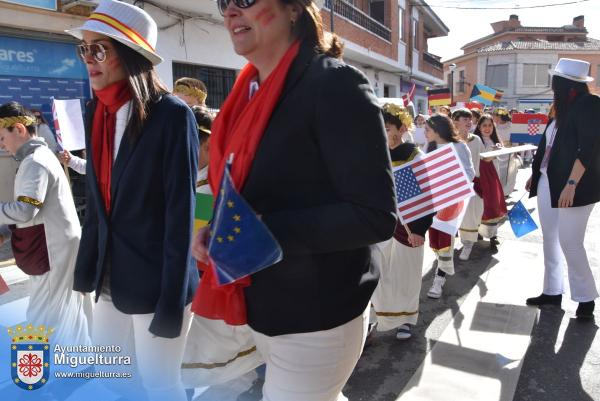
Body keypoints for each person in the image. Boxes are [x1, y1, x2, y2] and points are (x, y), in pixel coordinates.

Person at [191, 0, 397, 398]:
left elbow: (374, 215)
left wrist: (257, 233)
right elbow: (234, 189)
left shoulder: (336, 85)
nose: (231, 11)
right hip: (260, 301)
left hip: (317, 314)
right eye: (223, 2)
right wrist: (215, 230)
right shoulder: (247, 93)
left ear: (293, 9)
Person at [66, 1, 200, 400]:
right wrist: (88, 270)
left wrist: (172, 300)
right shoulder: (95, 112)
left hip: (157, 284)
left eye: (100, 49)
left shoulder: (173, 115)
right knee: (111, 376)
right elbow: (97, 202)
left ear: (131, 54)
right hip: (108, 278)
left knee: (161, 384)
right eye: (84, 49)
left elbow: (182, 214)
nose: (89, 59)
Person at [0, 102, 91, 346]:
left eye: (2, 137)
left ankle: (58, 370)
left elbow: (26, 210)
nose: (1, 144)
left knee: (46, 312)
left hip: (51, 247)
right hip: (54, 243)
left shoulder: (35, 162)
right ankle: (79, 363)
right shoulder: (39, 158)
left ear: (19, 129)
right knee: (66, 307)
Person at [525, 58, 600, 319]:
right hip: (549, 181)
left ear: (564, 83)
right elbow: (550, 147)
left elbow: (587, 148)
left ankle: (586, 297)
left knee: (570, 242)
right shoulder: (560, 109)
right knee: (551, 240)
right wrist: (536, 175)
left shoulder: (589, 104)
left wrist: (571, 184)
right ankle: (552, 292)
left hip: (574, 185)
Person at [371, 103, 433, 340]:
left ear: (402, 127)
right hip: (381, 224)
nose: (383, 131)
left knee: (406, 274)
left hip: (408, 227)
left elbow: (427, 196)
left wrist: (419, 229)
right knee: (381, 274)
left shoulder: (414, 156)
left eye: (386, 127)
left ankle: (406, 318)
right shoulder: (376, 153)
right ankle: (380, 317)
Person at [424, 114, 475, 299]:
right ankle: (441, 266)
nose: (424, 133)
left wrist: (450, 183)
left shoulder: (460, 146)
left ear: (438, 130)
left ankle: (439, 280)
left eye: (427, 129)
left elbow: (470, 173)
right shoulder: (428, 146)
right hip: (431, 203)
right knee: (435, 241)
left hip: (451, 202)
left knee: (446, 241)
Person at [453, 108, 485, 261]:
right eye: (465, 119)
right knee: (456, 216)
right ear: (455, 122)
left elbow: (484, 159)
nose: (469, 122)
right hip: (454, 185)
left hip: (473, 184)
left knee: (470, 215)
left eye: (470, 119)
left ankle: (468, 244)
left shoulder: (476, 140)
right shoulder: (450, 141)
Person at [472, 114, 507, 251]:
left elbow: (502, 159)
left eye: (490, 125)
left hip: (493, 178)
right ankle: (479, 232)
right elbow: (482, 159)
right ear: (479, 127)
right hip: (480, 177)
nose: (487, 128)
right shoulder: (475, 141)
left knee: (493, 205)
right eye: (484, 125)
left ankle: (493, 236)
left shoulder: (496, 141)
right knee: (481, 205)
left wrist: (500, 150)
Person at [494, 108, 520, 196]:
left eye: (496, 116)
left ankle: (505, 192)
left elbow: (515, 139)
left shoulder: (511, 126)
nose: (495, 118)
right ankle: (498, 191)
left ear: (502, 116)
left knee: (509, 173)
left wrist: (515, 150)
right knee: (498, 172)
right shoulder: (494, 126)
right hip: (497, 152)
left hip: (509, 153)